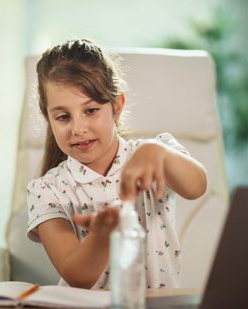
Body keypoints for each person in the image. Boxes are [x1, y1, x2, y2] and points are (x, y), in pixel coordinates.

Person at [26, 39, 207, 289]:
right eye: (63, 117)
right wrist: (101, 236)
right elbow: (76, 276)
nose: (78, 129)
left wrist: (161, 154)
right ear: (49, 120)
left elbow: (197, 186)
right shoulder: (46, 190)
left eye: (90, 111)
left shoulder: (155, 155)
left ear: (117, 106)